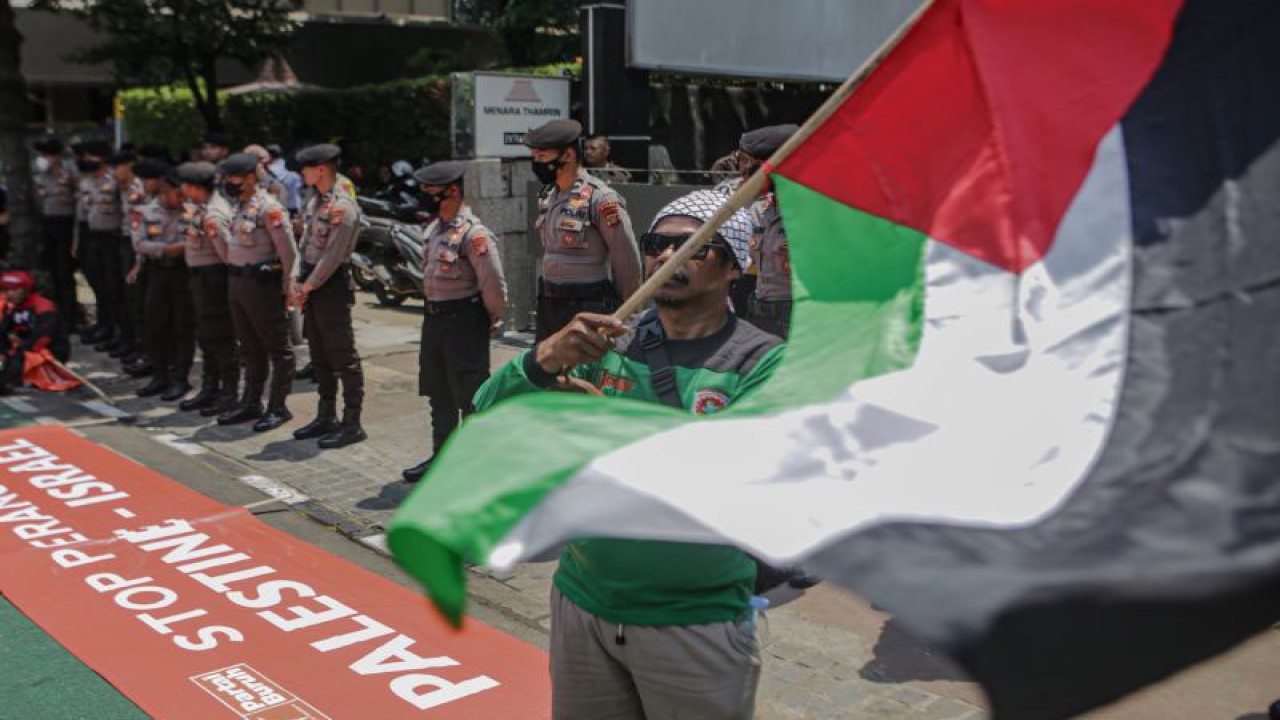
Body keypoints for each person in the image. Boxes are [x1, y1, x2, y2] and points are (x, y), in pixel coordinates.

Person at [473, 189, 776, 719]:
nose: (667, 257)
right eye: (657, 244)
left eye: (693, 248)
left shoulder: (763, 363)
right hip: (582, 605)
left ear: (734, 267)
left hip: (693, 622)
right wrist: (542, 361)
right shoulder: (607, 341)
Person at [401, 160, 507, 483]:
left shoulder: (473, 234)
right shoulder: (433, 230)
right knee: (439, 394)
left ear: (453, 190)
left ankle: (475, 465)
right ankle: (442, 458)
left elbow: (494, 282)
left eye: (429, 191)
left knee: (470, 396)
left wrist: (492, 317)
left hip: (464, 321)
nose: (423, 196)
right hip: (434, 321)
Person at [525, 119, 641, 341]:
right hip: (550, 303)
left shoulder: (601, 199)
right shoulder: (549, 196)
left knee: (586, 371)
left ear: (567, 156)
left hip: (587, 303)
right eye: (535, 156)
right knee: (548, 371)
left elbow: (625, 258)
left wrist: (625, 312)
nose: (536, 162)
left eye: (542, 156)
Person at [291, 144, 367, 449]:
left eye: (306, 168)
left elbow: (333, 256)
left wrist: (307, 286)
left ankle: (352, 423)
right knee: (319, 353)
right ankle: (326, 415)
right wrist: (298, 281)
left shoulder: (342, 207)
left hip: (330, 286)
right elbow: (306, 243)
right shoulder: (316, 201)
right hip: (311, 283)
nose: (302, 173)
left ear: (321, 169)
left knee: (342, 356)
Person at [216, 152, 297, 432]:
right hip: (238, 284)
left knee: (277, 347)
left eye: (233, 177)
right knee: (249, 347)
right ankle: (251, 402)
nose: (228, 182)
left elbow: (288, 252)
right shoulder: (241, 205)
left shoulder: (269, 208)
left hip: (261, 285)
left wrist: (289, 287)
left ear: (250, 177)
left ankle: (278, 406)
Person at [176, 161, 240, 416]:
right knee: (206, 336)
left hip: (213, 280)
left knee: (220, 336)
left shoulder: (213, 214)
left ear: (193, 187)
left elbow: (227, 254)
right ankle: (210, 388)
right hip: (201, 279)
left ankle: (229, 392)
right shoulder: (202, 209)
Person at [130, 162, 195, 401]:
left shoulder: (192, 212)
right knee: (154, 325)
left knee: (183, 326)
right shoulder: (145, 211)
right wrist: (170, 249)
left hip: (184, 274)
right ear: (165, 192)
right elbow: (139, 243)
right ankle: (160, 375)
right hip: (156, 272)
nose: (182, 198)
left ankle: (180, 378)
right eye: (178, 194)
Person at [742, 124, 799, 339]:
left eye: (753, 165)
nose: (745, 172)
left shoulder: (811, 214)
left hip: (797, 319)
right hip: (760, 317)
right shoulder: (760, 210)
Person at [80, 140, 133, 356]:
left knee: (117, 290)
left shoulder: (118, 183)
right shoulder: (87, 181)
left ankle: (127, 337)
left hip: (115, 239)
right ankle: (114, 332)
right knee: (103, 288)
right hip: (95, 236)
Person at [31, 137, 80, 331]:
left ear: (56, 155)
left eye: (48, 154)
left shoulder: (68, 171)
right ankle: (56, 315)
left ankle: (71, 319)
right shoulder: (39, 174)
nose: (44, 158)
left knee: (64, 273)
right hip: (47, 224)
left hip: (65, 224)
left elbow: (78, 202)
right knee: (52, 272)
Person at [0, 270, 70, 394]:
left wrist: (19, 350)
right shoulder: (13, 307)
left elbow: (43, 337)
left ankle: (16, 381)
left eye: (14, 290)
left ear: (26, 290)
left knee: (18, 360)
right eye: (6, 290)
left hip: (48, 350)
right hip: (26, 346)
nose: (9, 294)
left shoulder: (43, 306)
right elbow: (3, 329)